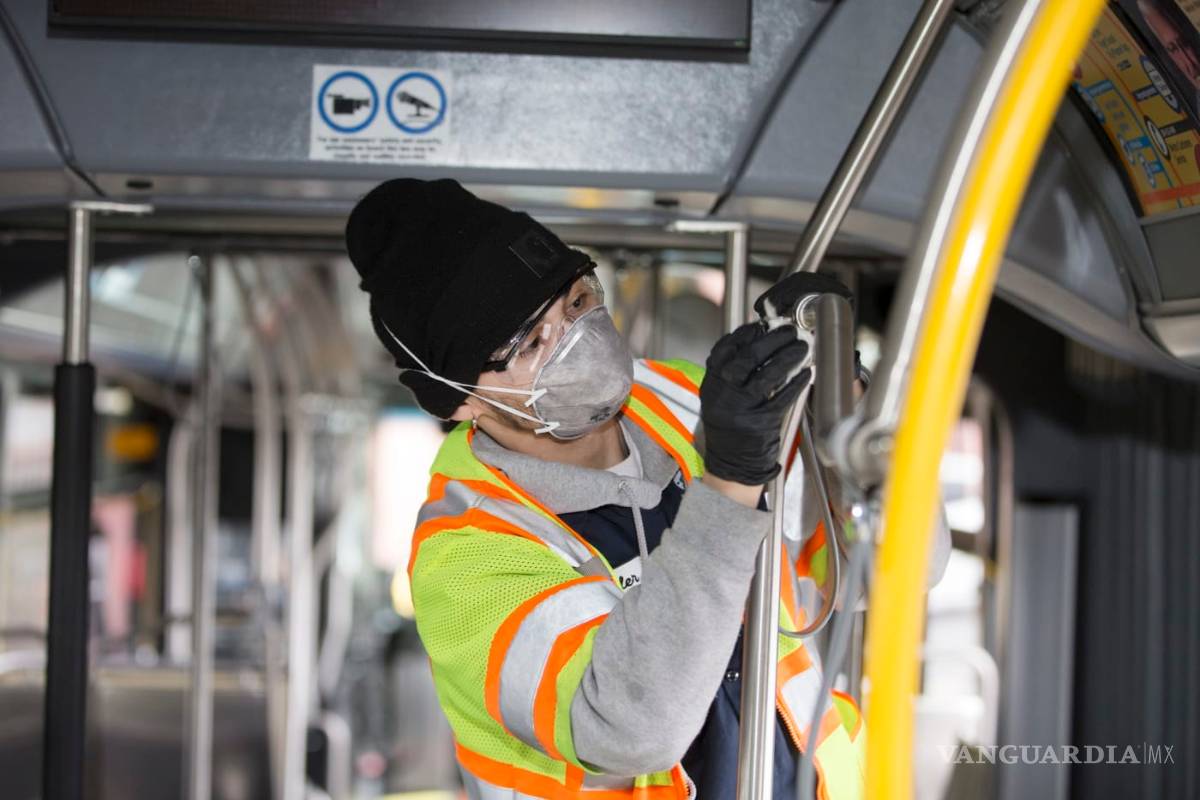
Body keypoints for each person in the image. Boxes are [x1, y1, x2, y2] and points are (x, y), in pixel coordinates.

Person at [346, 179, 933, 799]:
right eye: (530, 342)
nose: (577, 339)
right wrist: (729, 484)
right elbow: (627, 727)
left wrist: (847, 397)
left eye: (576, 302)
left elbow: (896, 569)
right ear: (461, 400)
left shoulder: (689, 402)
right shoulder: (466, 557)